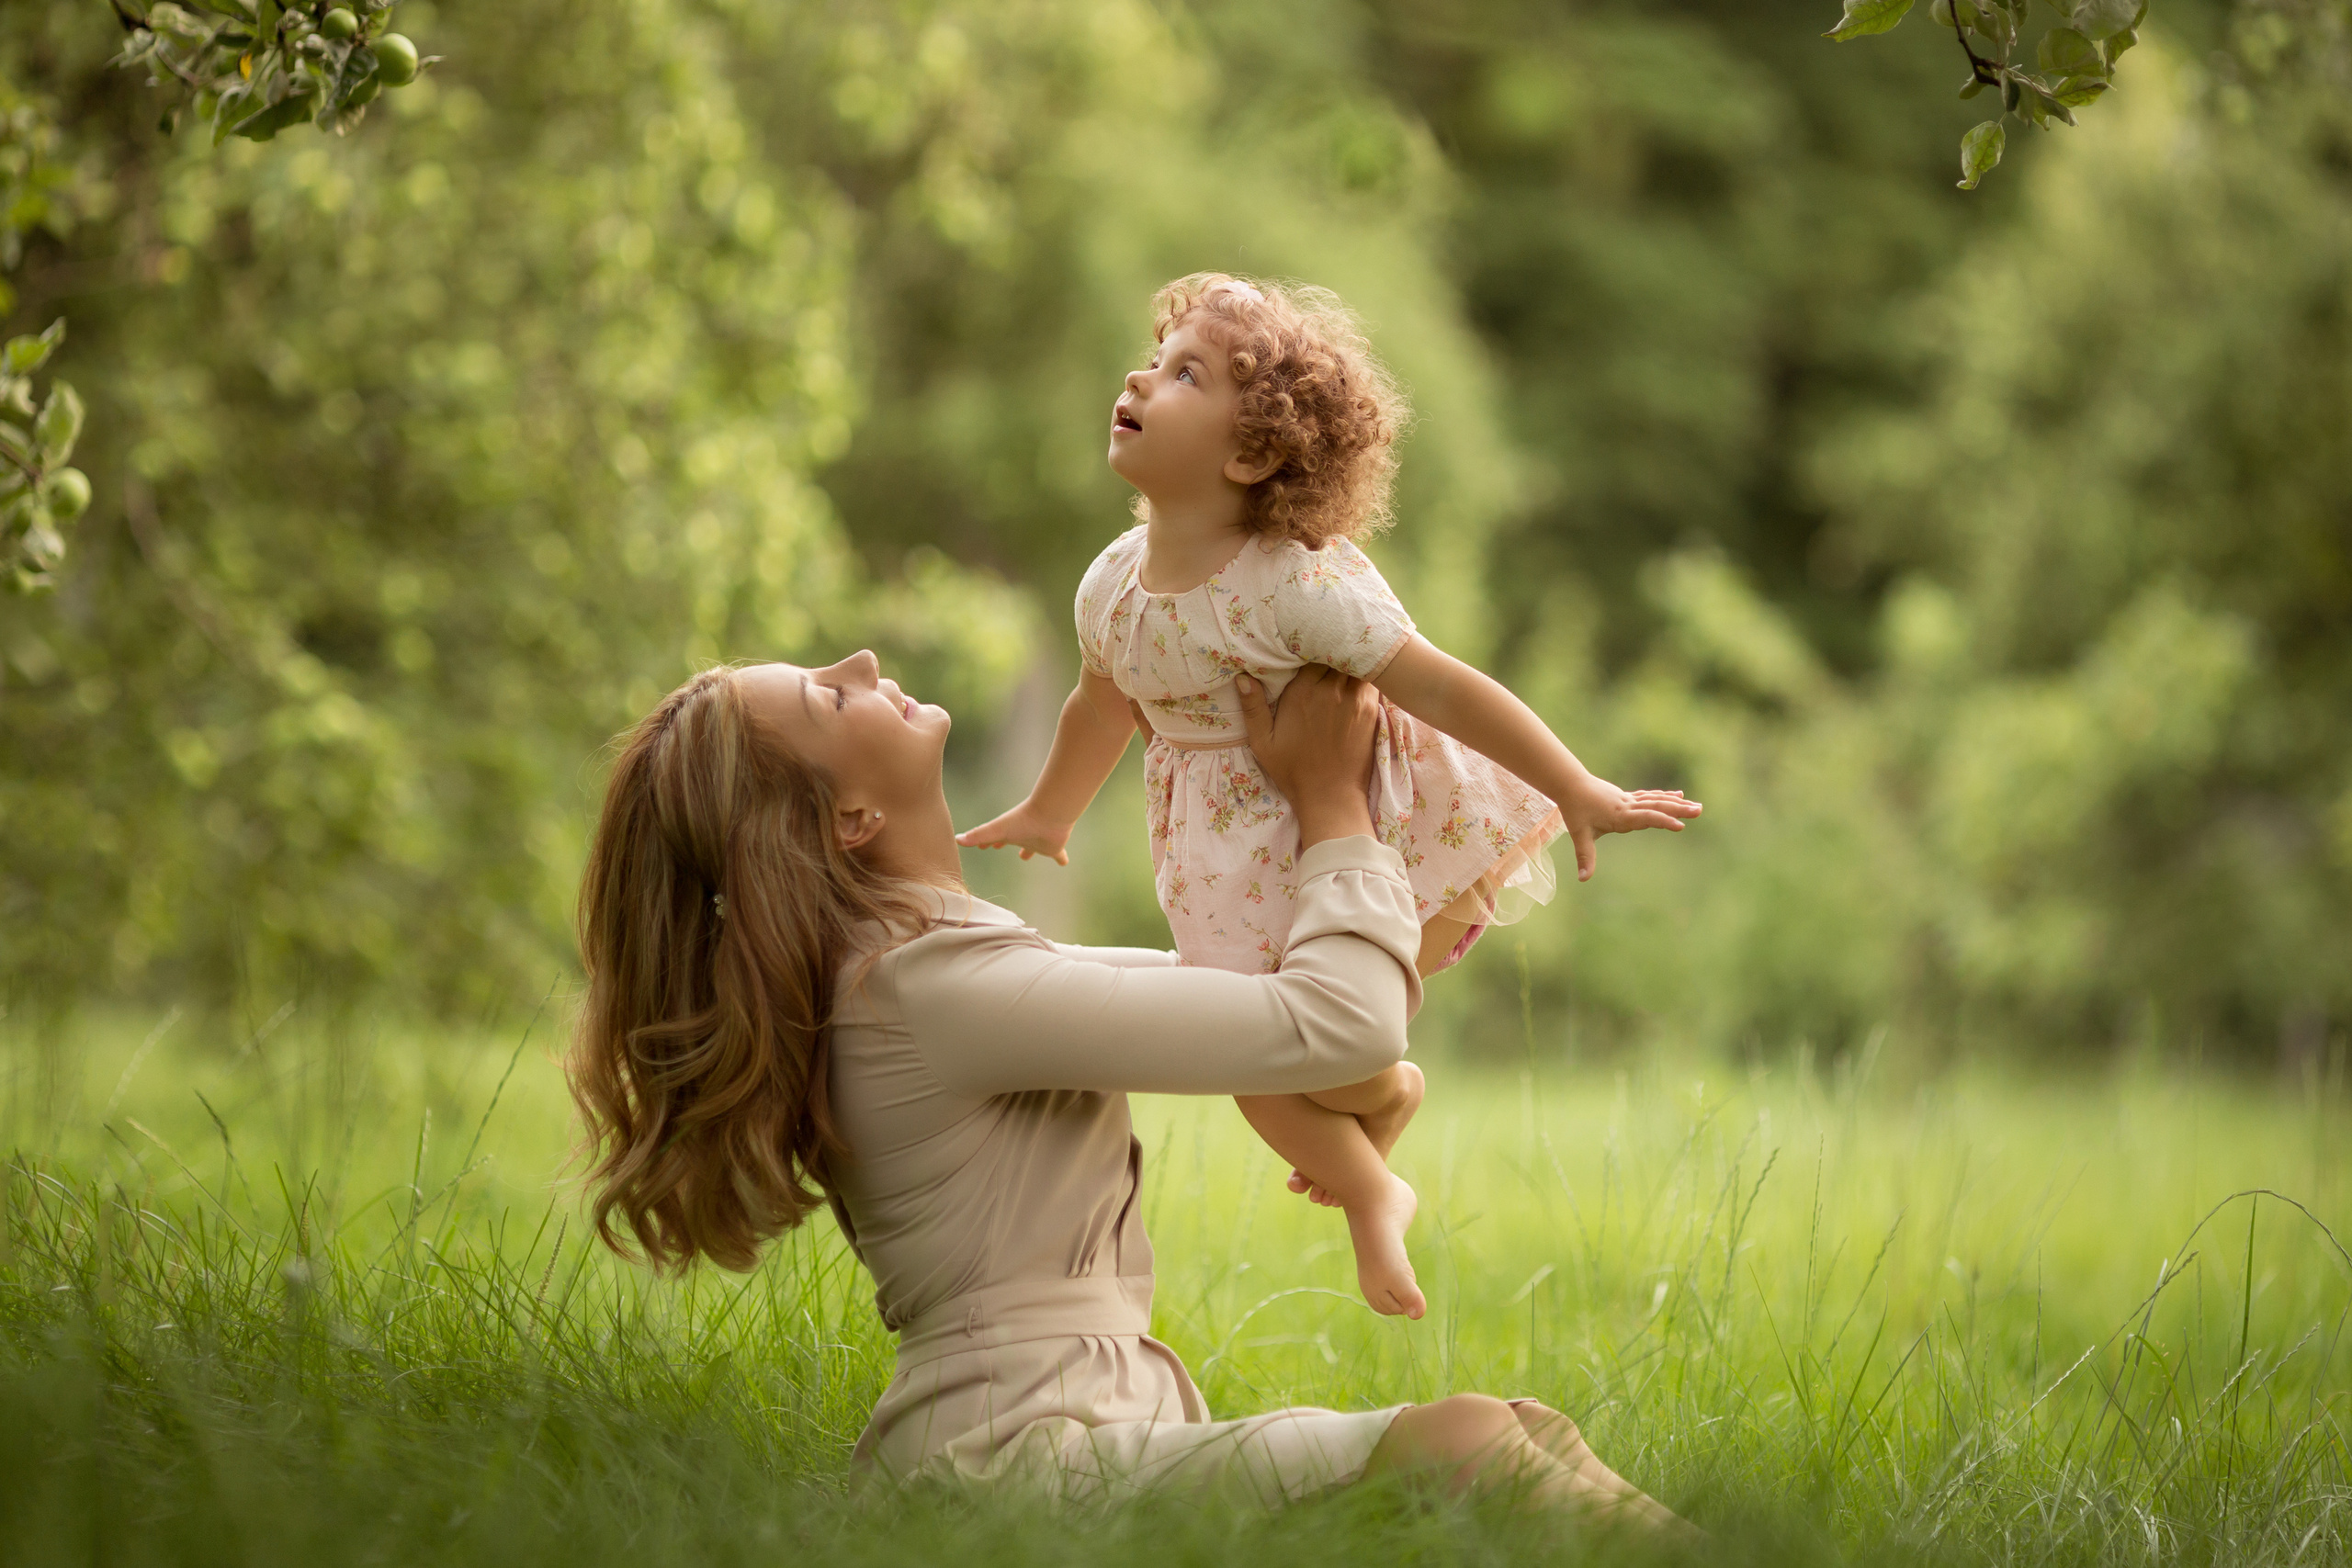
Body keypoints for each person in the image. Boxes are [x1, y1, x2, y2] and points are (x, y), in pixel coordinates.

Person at [567, 649, 1694, 1531]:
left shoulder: (933, 971)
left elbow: (1260, 1009)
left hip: (1054, 1439)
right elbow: (1334, 1021)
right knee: (1466, 1446)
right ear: (849, 819)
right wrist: (1329, 804)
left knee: (1525, 1432)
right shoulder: (922, 991)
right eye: (830, 695)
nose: (862, 663)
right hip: (1007, 1465)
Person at [958, 273, 1702, 1317]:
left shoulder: (1295, 583)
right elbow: (1100, 705)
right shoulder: (1111, 587)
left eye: (1185, 374)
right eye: (1157, 359)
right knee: (1254, 1050)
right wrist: (1052, 809)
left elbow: (1440, 685)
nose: (1140, 376)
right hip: (1224, 856)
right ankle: (1381, 1132)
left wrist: (1573, 784)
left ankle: (1369, 1186)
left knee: (1261, 1056)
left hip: (1362, 827)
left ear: (1250, 455)